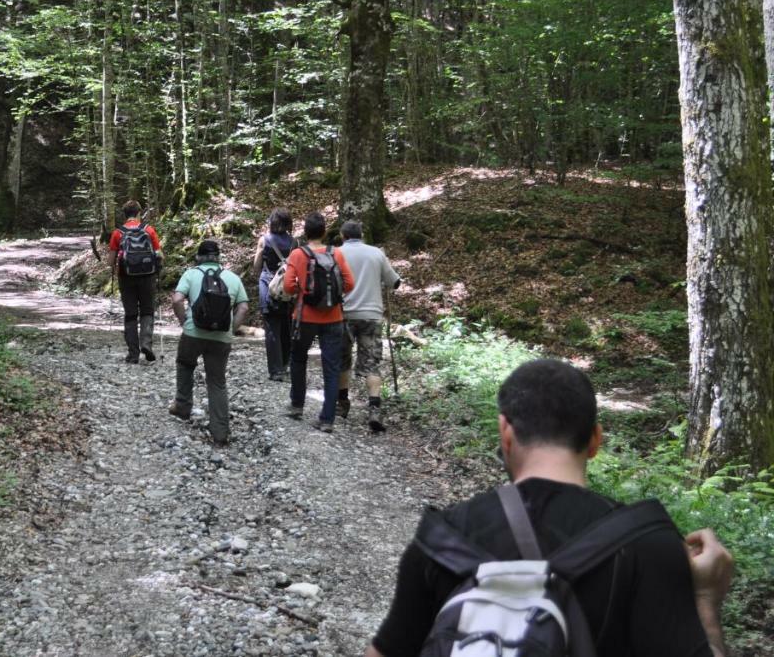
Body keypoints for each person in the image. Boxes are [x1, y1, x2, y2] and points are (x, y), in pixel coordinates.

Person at [367, 358, 733, 657]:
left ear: (505, 434)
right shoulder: (649, 545)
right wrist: (704, 600)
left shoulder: (441, 539)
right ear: (595, 440)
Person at [168, 240, 249, 445]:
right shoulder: (232, 278)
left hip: (193, 334)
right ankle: (220, 432)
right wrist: (231, 329)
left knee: (185, 365)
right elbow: (244, 308)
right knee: (217, 381)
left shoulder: (191, 274)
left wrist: (183, 320)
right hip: (221, 338)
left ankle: (183, 406)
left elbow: (177, 300)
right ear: (218, 257)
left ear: (199, 257)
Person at [282, 211, 355, 433]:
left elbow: (287, 286)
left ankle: (297, 405)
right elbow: (350, 283)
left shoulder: (297, 254)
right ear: (324, 232)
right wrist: (332, 295)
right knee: (331, 367)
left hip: (304, 316)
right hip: (333, 317)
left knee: (298, 360)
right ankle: (327, 419)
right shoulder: (336, 254)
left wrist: (302, 290)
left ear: (305, 232)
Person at [337, 220, 401, 432]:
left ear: (342, 235)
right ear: (362, 234)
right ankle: (374, 408)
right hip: (371, 315)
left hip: (344, 314)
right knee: (372, 363)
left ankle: (343, 403)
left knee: (342, 359)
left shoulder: (337, 253)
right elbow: (395, 282)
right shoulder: (376, 253)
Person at [108, 200, 163, 364]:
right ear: (139, 213)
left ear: (124, 214)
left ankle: (133, 354)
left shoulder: (118, 233)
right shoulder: (149, 230)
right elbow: (159, 255)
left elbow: (111, 261)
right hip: (148, 276)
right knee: (147, 311)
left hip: (126, 277)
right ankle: (146, 343)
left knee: (131, 314)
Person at [252, 208, 295, 382]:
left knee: (272, 329)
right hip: (289, 288)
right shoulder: (295, 243)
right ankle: (286, 364)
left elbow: (256, 265)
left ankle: (276, 371)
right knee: (287, 327)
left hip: (269, 286)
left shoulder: (264, 240)